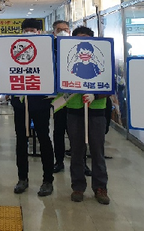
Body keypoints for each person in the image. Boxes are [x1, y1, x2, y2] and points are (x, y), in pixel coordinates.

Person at [11, 18, 55, 197]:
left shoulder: (48, 48)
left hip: (42, 101)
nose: (29, 32)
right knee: (21, 140)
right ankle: (22, 178)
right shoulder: (14, 48)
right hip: (21, 103)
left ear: (39, 31)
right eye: (26, 29)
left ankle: (48, 180)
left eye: (33, 29)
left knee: (44, 138)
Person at [67, 26, 109, 205]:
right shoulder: (69, 64)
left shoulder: (102, 63)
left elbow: (110, 84)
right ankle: (78, 186)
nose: (83, 50)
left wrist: (96, 94)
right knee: (76, 150)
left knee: (97, 151)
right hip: (74, 109)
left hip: (96, 110)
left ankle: (100, 187)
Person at [52, 20, 71, 173]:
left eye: (66, 29)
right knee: (59, 131)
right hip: (58, 98)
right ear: (54, 32)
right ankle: (59, 161)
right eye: (60, 30)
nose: (63, 32)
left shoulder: (75, 46)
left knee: (76, 133)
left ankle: (81, 162)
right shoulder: (50, 49)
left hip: (76, 97)